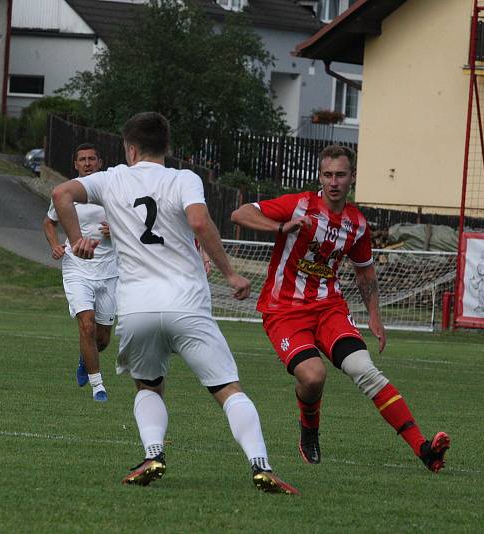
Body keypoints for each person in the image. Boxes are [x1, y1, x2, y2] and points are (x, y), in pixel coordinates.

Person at [52, 111, 298, 494]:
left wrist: (76, 240)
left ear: (130, 148)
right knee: (228, 390)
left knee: (148, 387)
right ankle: (260, 464)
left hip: (137, 307)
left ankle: (154, 454)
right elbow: (199, 222)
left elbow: (60, 194)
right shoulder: (184, 178)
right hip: (187, 303)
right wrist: (230, 274)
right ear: (167, 147)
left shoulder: (112, 177)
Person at [230, 144, 450, 472]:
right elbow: (240, 213)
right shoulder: (299, 204)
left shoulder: (356, 223)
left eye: (341, 175)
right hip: (284, 310)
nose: (334, 181)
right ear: (320, 177)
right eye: (328, 175)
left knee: (364, 369)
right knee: (313, 376)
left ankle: (423, 448)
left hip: (329, 308)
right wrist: (280, 227)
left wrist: (374, 316)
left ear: (353, 178)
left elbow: (364, 270)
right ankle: (309, 430)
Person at [43, 143, 116, 402]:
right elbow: (49, 222)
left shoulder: (113, 190)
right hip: (77, 267)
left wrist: (115, 231)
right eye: (82, 159)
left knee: (103, 338)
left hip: (109, 270)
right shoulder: (67, 192)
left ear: (99, 162)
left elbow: (134, 226)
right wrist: (54, 245)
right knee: (86, 324)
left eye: (91, 159)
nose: (87, 163)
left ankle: (86, 357)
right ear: (75, 164)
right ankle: (98, 387)